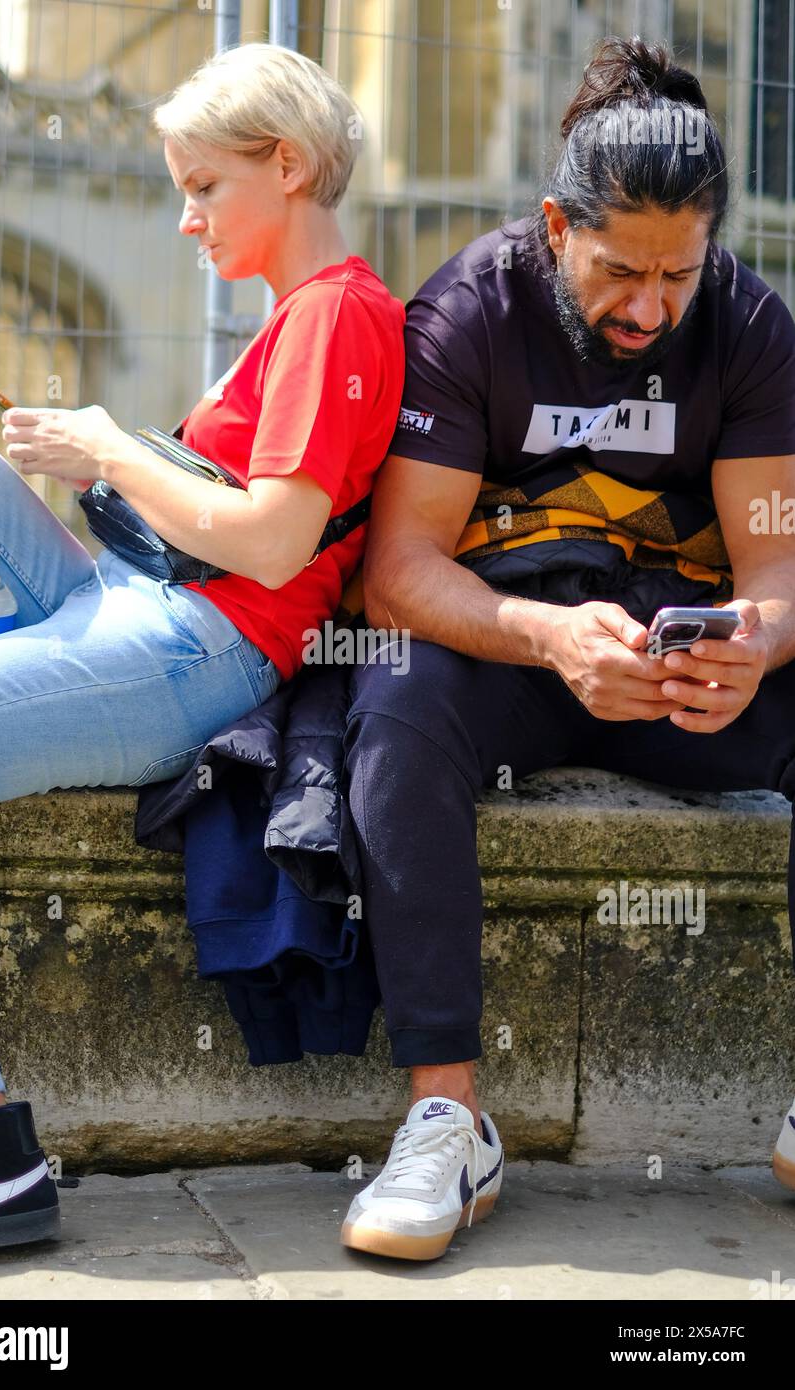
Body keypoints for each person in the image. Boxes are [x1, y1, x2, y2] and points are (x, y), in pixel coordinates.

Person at [0, 41, 405, 1261]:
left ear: (284, 166)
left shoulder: (338, 312)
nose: (184, 217)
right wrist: (100, 458)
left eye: (202, 186)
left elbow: (279, 539)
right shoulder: (295, 316)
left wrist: (109, 444)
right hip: (125, 599)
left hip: (189, 649)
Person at [339, 35, 795, 1261]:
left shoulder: (748, 323)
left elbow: (773, 562)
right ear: (554, 225)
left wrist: (754, 640)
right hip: (519, 658)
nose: (648, 309)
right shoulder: (468, 308)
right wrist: (546, 636)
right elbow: (398, 571)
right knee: (389, 693)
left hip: (688, 679)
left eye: (676, 275)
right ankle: (449, 1119)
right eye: (617, 272)